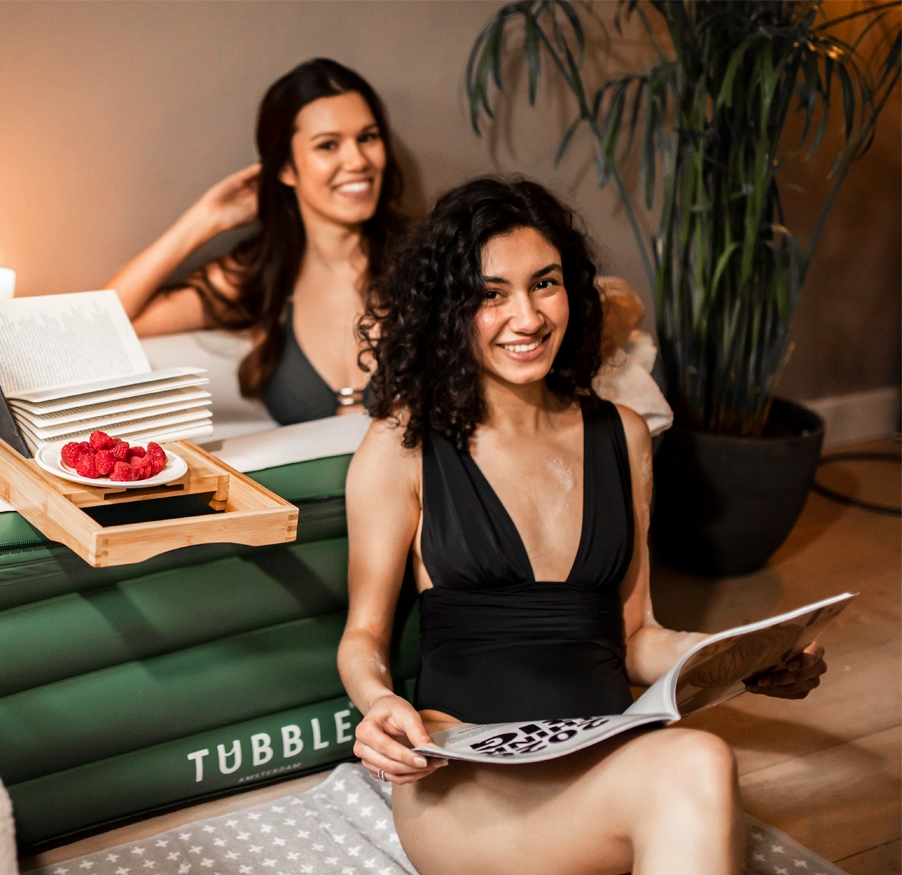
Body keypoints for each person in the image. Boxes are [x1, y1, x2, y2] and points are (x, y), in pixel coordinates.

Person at [336, 177, 827, 874]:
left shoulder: (621, 435)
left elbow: (636, 638)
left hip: (601, 756)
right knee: (699, 765)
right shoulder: (402, 446)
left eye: (545, 283)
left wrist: (748, 654)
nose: (528, 317)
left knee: (700, 759)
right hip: (467, 778)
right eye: (491, 294)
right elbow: (362, 636)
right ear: (448, 309)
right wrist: (380, 701)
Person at [105, 57, 405, 425]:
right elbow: (102, 325)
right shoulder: (259, 278)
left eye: (368, 138)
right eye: (328, 145)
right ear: (285, 168)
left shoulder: (427, 263)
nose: (357, 161)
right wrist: (202, 220)